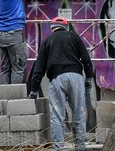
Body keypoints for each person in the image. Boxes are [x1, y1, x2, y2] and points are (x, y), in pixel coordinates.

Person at [29, 17, 94, 151]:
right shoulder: (74, 37)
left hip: (57, 78)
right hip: (76, 77)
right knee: (79, 114)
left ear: (52, 28)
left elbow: (39, 68)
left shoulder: (47, 41)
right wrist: (88, 78)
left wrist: (34, 89)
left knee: (57, 116)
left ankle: (59, 148)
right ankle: (80, 147)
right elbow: (86, 58)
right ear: (66, 27)